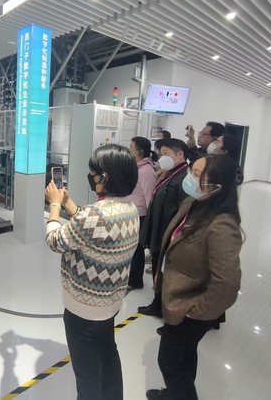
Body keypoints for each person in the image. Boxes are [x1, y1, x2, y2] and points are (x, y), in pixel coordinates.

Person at [45, 144, 140, 400]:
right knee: (108, 356)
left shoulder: (96, 215)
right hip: (110, 303)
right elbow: (90, 228)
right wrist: (67, 202)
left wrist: (54, 206)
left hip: (84, 309)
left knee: (86, 373)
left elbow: (55, 241)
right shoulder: (129, 209)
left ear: (104, 178)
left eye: (93, 174)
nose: (91, 177)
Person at [146, 154, 243, 400]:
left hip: (189, 310)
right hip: (176, 300)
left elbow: (227, 284)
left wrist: (195, 313)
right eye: (192, 171)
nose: (190, 178)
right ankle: (175, 393)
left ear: (217, 186)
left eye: (198, 175)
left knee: (170, 361)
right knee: (183, 358)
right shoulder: (193, 204)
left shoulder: (222, 225)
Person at [138, 139, 190, 317]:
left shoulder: (183, 177)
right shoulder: (171, 173)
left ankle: (163, 306)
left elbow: (183, 210)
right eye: (161, 154)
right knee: (158, 267)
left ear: (179, 154)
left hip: (168, 232)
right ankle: (158, 302)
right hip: (160, 229)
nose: (161, 158)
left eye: (166, 153)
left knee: (164, 270)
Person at [127, 137, 158, 289]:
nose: (129, 150)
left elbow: (149, 197)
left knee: (136, 249)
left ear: (139, 151)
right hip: (133, 212)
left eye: (131, 148)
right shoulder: (138, 167)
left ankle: (135, 281)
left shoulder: (146, 171)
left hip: (141, 215)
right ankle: (132, 278)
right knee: (132, 248)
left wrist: (149, 221)